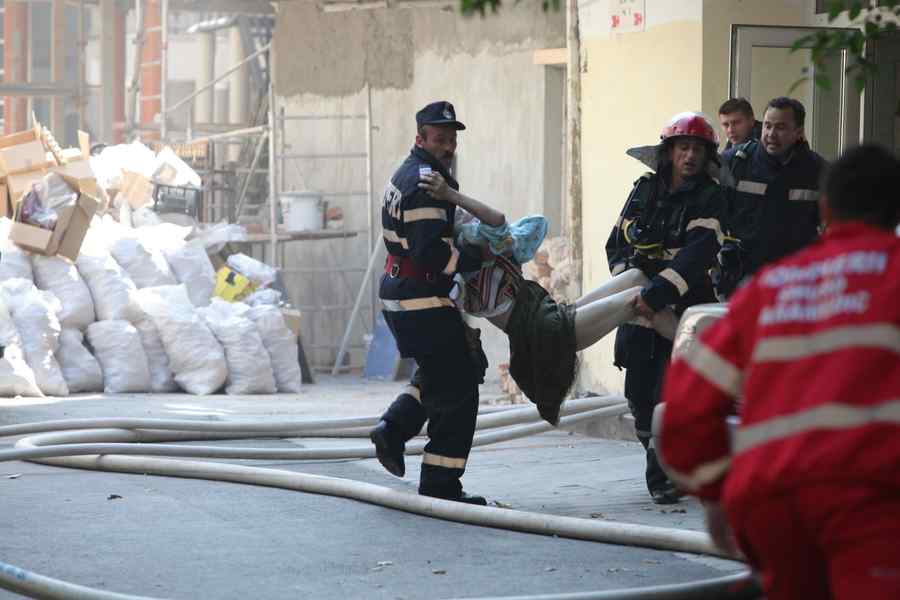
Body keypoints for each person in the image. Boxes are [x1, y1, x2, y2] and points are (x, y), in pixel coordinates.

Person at [656, 144, 900, 600]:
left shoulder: (769, 288)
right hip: (873, 502)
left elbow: (686, 415)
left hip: (770, 505)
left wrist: (715, 493)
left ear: (825, 208)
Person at [369, 101, 489, 505]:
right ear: (420, 138)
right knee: (459, 387)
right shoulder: (424, 182)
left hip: (405, 293)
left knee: (443, 373)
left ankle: (392, 430)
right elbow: (429, 253)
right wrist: (472, 260)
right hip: (420, 296)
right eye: (439, 139)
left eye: (452, 139)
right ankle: (441, 483)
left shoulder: (416, 172)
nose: (447, 146)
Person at [606, 112, 726, 504]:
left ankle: (661, 476)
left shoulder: (710, 196)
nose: (690, 156)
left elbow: (697, 255)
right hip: (637, 307)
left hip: (683, 311)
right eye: (683, 147)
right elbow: (616, 243)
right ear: (669, 152)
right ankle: (661, 460)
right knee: (639, 394)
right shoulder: (643, 190)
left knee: (669, 391)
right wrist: (632, 285)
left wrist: (655, 296)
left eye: (697, 149)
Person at [716, 97, 827, 298]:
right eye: (767, 126)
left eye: (781, 127)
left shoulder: (818, 170)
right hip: (743, 278)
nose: (771, 134)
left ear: (799, 131)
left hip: (798, 281)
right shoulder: (735, 163)